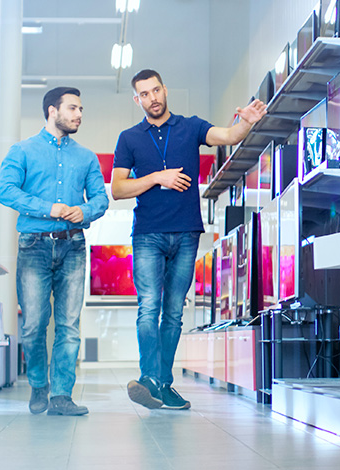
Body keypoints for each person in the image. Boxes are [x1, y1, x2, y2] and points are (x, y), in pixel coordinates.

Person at [112, 69, 267, 410]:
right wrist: (157, 178)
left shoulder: (190, 126)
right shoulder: (129, 138)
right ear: (136, 99)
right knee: (148, 308)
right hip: (148, 235)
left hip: (186, 233)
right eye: (144, 94)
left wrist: (247, 123)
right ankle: (151, 378)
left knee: (173, 314)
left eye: (156, 90)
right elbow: (118, 188)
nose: (152, 98)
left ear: (165, 90)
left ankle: (160, 384)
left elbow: (227, 135)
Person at [0, 87, 109, 416]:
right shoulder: (23, 151)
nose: (79, 115)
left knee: (69, 325)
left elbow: (100, 200)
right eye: (73, 108)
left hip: (74, 246)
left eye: (81, 109)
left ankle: (61, 394)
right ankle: (37, 385)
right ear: (51, 110)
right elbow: (5, 191)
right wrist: (51, 208)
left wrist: (83, 212)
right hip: (33, 246)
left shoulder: (86, 157)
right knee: (33, 324)